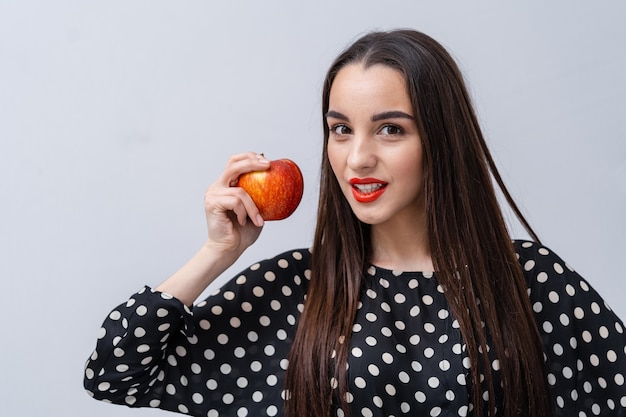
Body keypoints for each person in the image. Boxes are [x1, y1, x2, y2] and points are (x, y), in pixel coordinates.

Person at [83, 29, 626, 417]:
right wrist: (217, 254)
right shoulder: (297, 289)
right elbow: (116, 371)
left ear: (440, 140)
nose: (357, 158)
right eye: (340, 129)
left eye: (390, 130)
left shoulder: (528, 281)